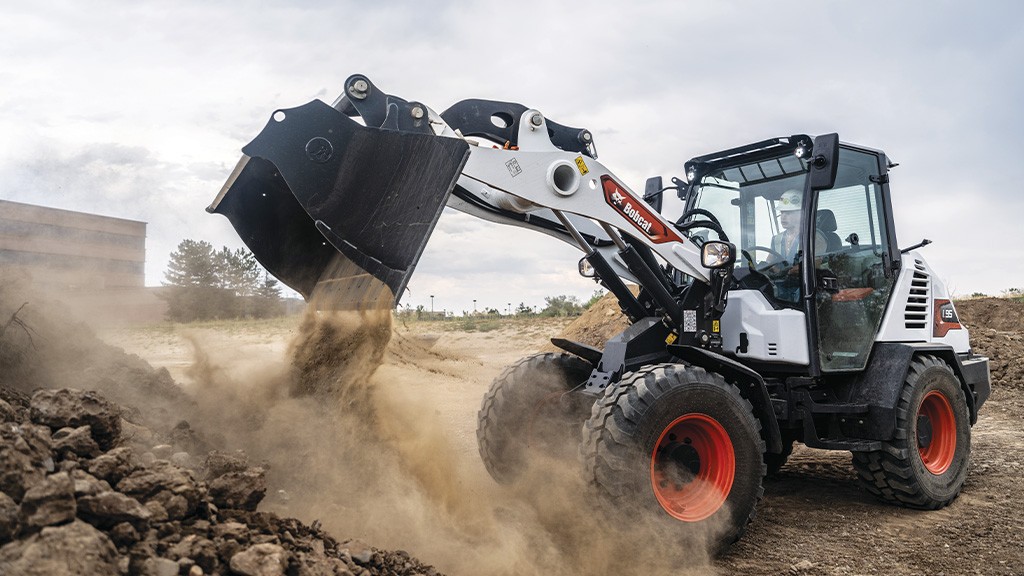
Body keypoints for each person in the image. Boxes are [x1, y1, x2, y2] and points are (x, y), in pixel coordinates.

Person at [765, 190, 826, 303]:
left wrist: (789, 271)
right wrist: (772, 269)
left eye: (788, 213)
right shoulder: (776, 239)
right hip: (781, 286)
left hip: (806, 286)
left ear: (801, 213)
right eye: (782, 213)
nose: (783, 217)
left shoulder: (814, 236)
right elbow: (769, 263)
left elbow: (815, 264)